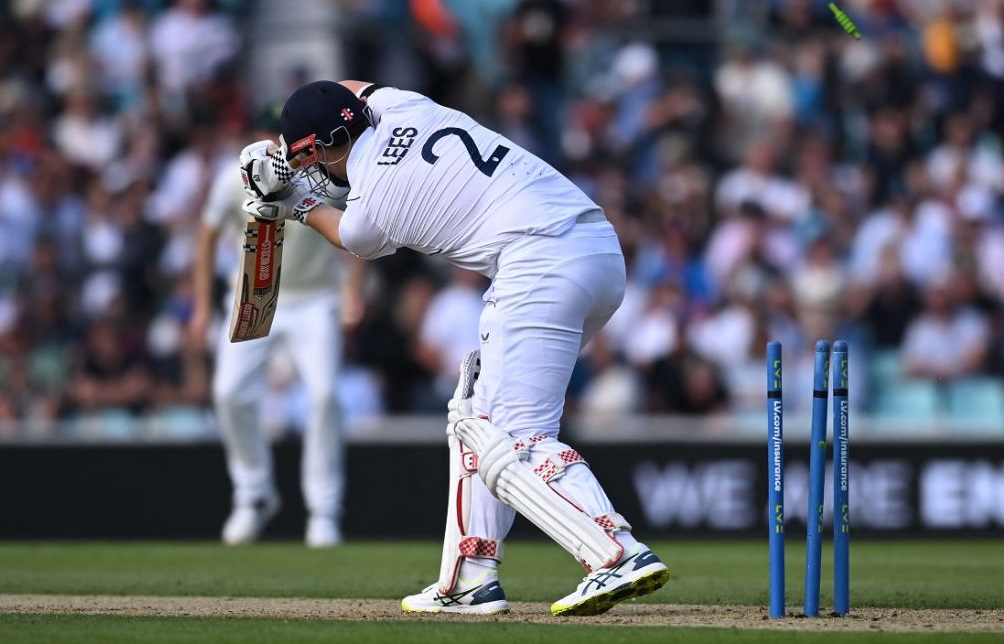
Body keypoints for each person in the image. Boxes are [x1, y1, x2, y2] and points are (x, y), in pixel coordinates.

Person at [239, 80, 668, 616]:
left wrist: (292, 201)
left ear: (322, 146)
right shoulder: (401, 105)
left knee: (514, 438)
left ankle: (617, 552)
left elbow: (347, 234)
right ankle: (469, 576)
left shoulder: (373, 200)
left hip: (539, 260)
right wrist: (289, 152)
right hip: (597, 250)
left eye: (306, 154)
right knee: (473, 414)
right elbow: (350, 88)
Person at [190, 113, 364, 548]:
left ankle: (324, 510)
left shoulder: (319, 177)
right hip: (253, 294)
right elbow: (207, 235)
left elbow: (358, 230)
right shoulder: (233, 179)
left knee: (324, 396)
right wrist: (199, 308)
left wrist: (352, 293)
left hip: (316, 299)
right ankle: (253, 495)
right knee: (228, 393)